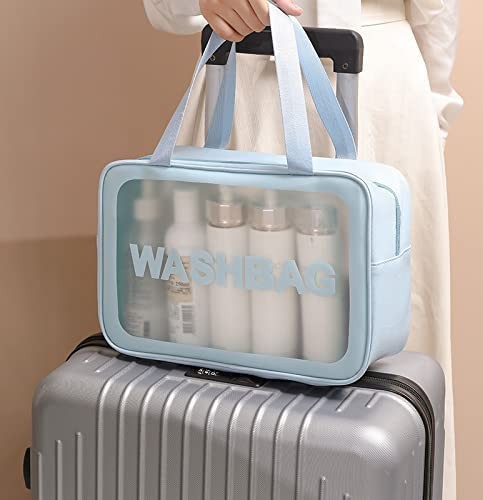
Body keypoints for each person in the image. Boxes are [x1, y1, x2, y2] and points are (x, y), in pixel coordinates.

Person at [142, 1, 463, 498]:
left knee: (387, 362)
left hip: (380, 84)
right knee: (230, 340)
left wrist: (430, 113)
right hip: (249, 71)